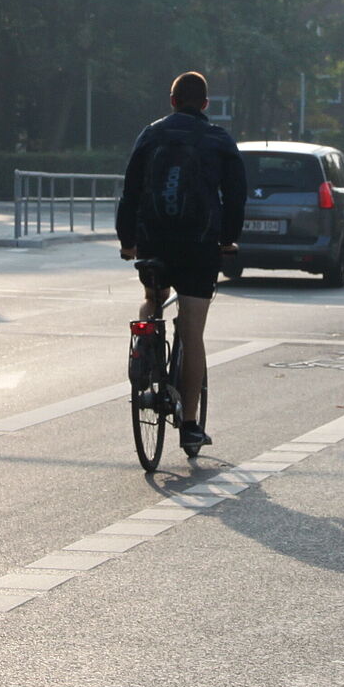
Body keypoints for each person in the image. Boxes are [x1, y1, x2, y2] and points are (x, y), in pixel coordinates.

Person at [117, 72, 246, 454]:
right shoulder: (220, 140)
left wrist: (128, 241)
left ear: (171, 101)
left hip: (154, 241)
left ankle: (144, 347)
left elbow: (131, 190)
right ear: (205, 104)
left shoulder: (151, 134)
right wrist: (228, 240)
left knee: (153, 296)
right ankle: (189, 425)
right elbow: (235, 196)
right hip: (199, 245)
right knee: (191, 333)